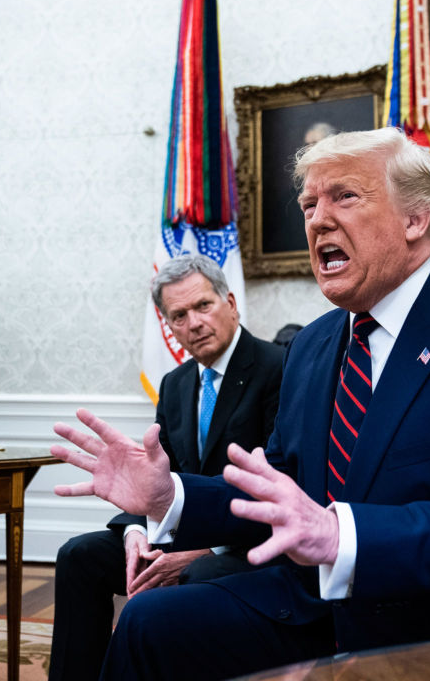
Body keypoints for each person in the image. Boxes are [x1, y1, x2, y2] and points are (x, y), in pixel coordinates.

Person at [52, 128, 430, 680]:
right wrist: (169, 495)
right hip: (326, 607)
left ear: (415, 220)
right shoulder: (314, 345)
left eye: (344, 196)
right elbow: (280, 489)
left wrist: (340, 536)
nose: (318, 219)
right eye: (308, 204)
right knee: (151, 621)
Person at [47, 254, 284, 681]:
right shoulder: (175, 384)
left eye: (203, 306)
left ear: (231, 302)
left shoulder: (278, 367)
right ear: (168, 327)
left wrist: (204, 549)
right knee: (79, 556)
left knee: (197, 573)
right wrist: (136, 533)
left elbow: (282, 485)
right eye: (178, 315)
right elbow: (155, 474)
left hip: (247, 543)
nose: (193, 323)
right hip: (173, 533)